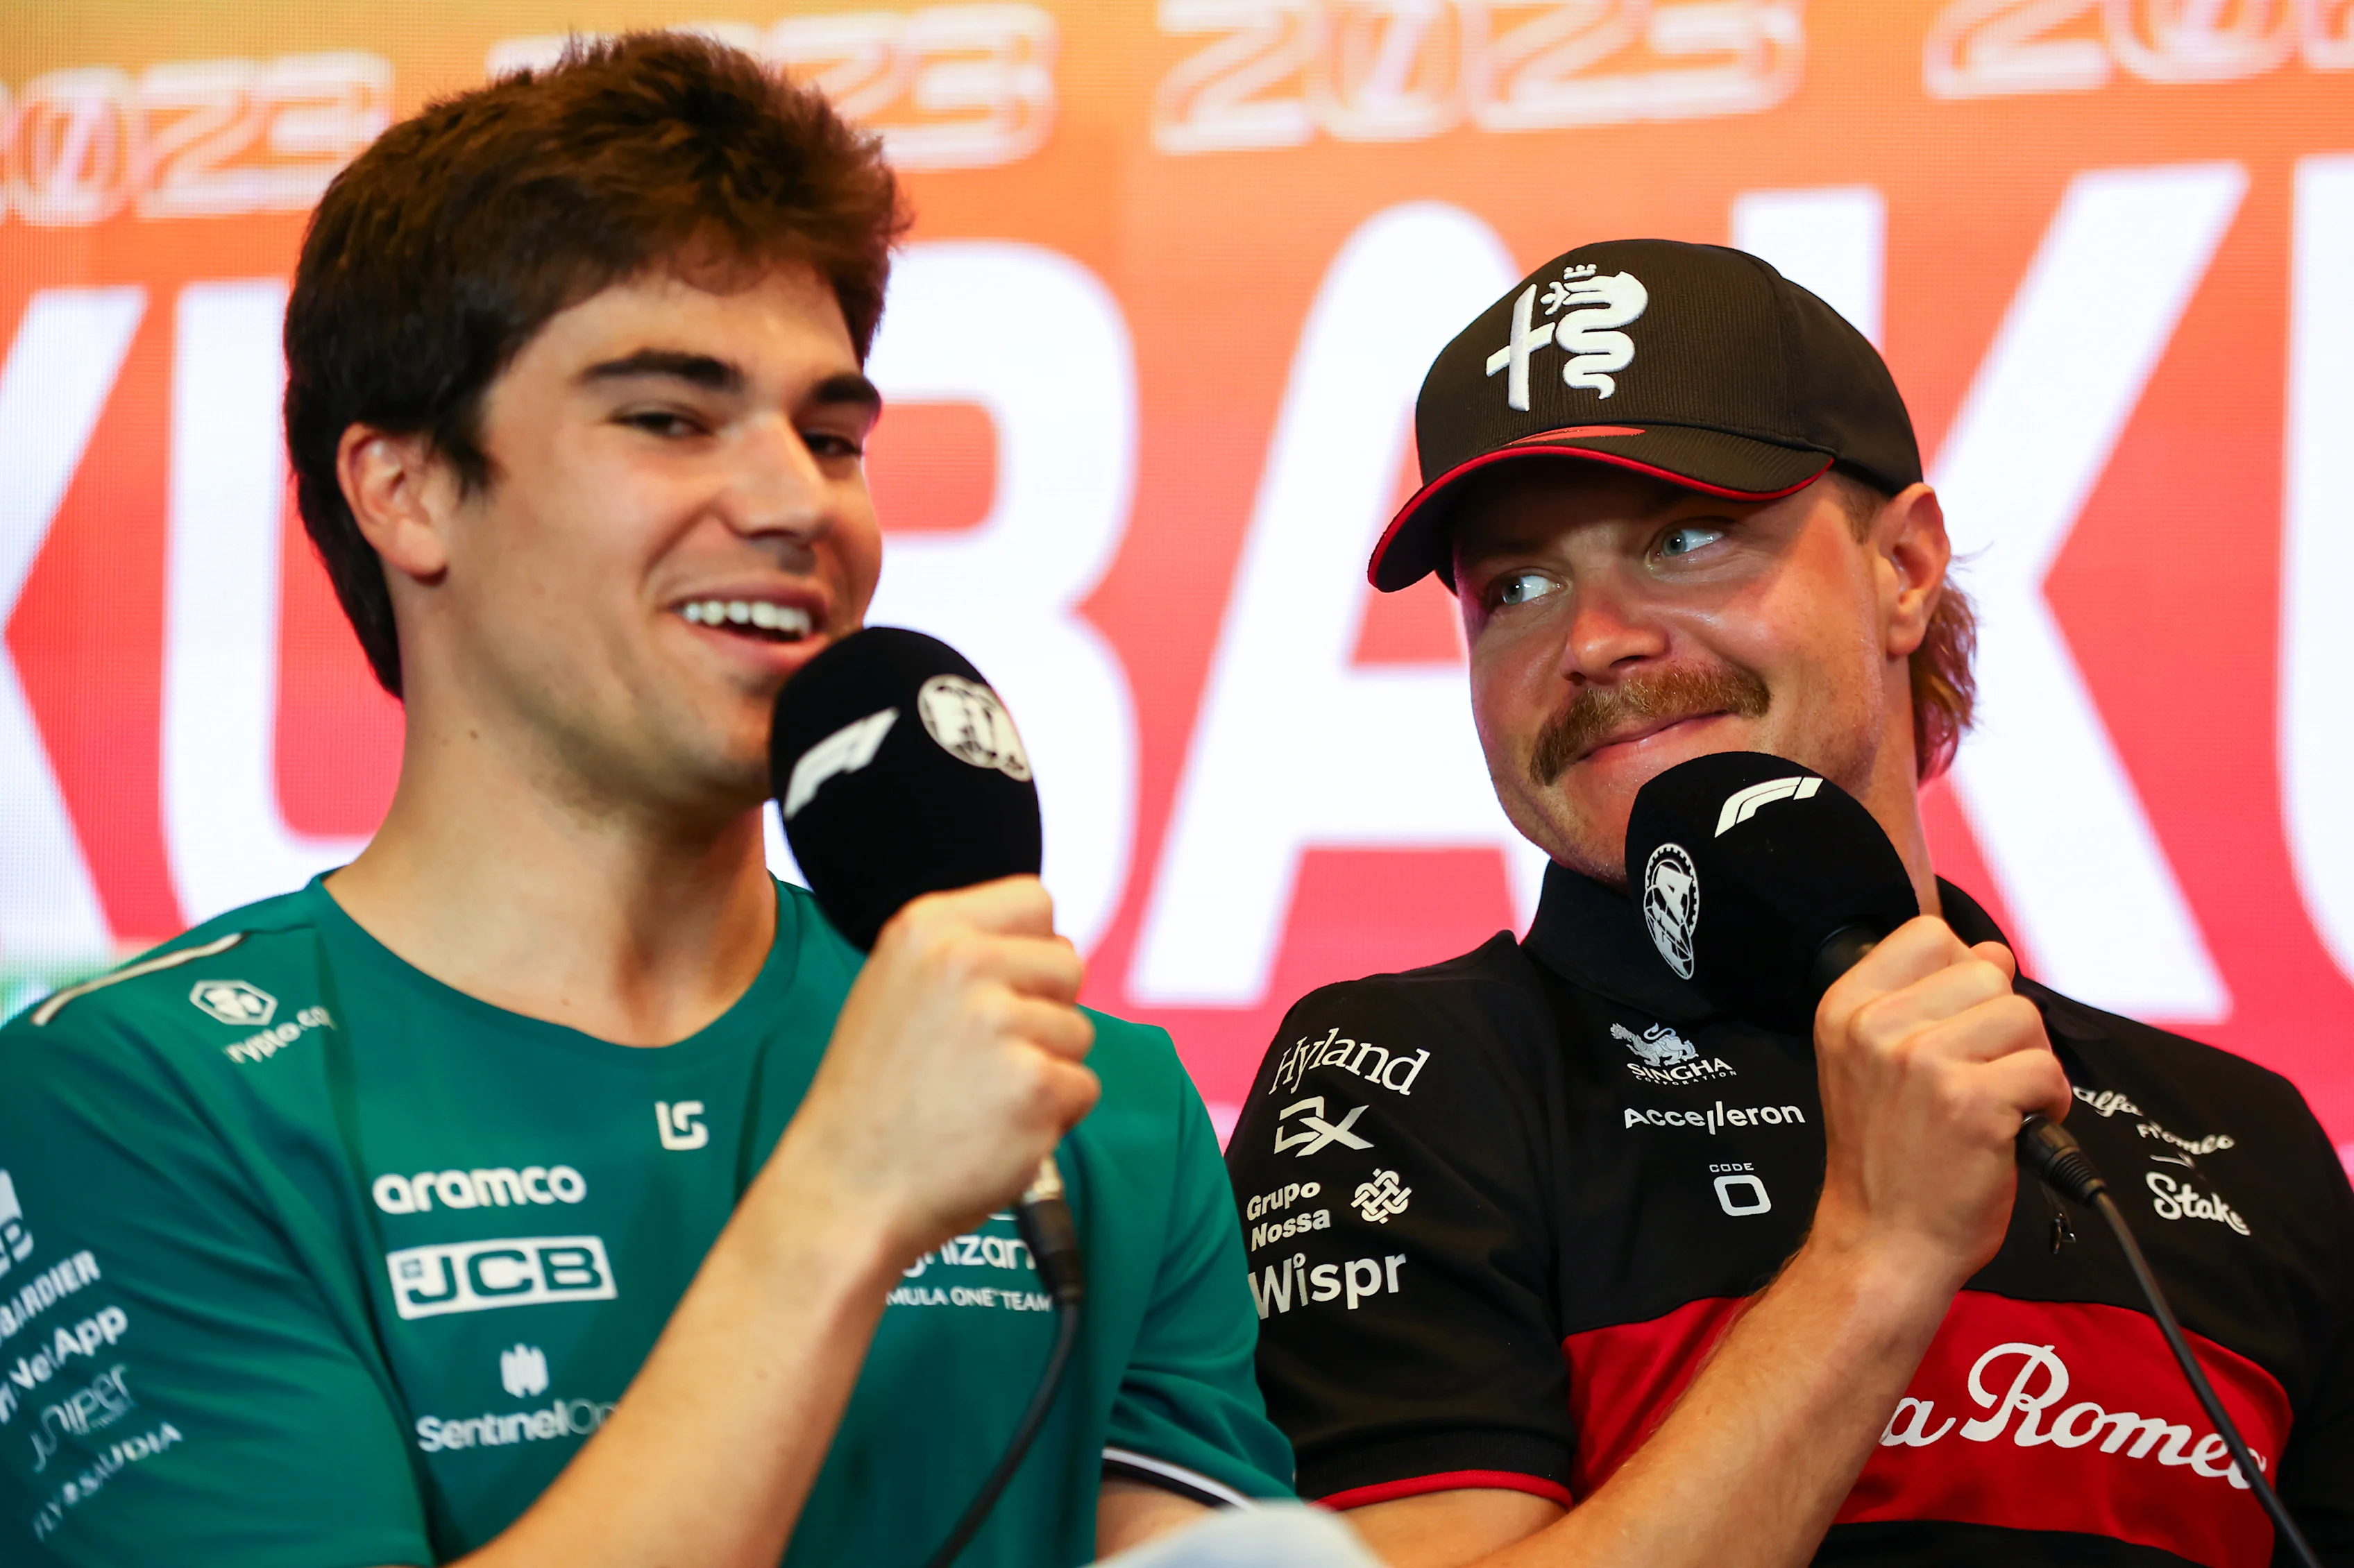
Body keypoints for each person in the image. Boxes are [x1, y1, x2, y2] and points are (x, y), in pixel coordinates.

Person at [0, 34, 1292, 1567]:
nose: (796, 500)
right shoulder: (143, 1097)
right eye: (670, 418)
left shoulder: (1090, 1098)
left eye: (830, 436)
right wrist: (844, 1199)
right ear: (403, 489)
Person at [1226, 239, 2354, 1567]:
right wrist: (1874, 1257)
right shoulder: (1389, 1085)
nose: (1594, 641)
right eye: (1516, 586)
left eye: (1686, 537)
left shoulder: (2241, 1139)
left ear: (1907, 567)